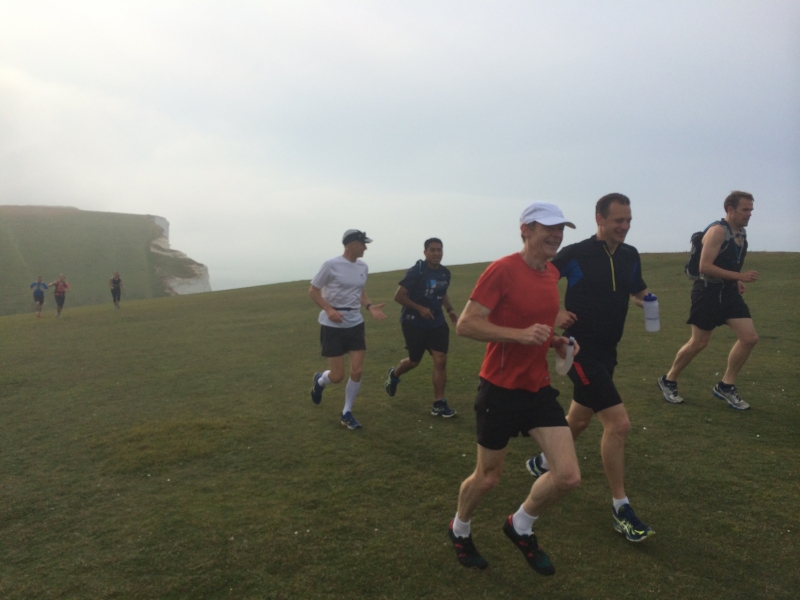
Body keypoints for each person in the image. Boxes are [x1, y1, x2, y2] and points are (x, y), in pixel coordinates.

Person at [448, 202, 580, 575]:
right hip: (500, 389)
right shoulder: (502, 270)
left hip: (537, 388)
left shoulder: (551, 273)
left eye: (561, 229)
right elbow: (466, 324)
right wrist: (519, 336)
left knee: (568, 476)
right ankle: (460, 529)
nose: (556, 235)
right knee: (488, 477)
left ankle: (520, 525)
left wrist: (554, 342)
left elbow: (538, 326)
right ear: (525, 230)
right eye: (548, 228)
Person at [524, 193, 655, 543]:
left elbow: (637, 289)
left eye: (628, 221)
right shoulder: (576, 253)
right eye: (618, 220)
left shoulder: (630, 255)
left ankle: (542, 461)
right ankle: (620, 508)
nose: (625, 227)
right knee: (618, 424)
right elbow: (540, 279)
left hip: (609, 351)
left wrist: (646, 300)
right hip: (579, 349)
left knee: (580, 418)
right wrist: (554, 313)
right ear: (600, 219)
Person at [658, 191, 758, 410]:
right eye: (745, 209)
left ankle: (726, 385)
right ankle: (669, 379)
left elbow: (728, 262)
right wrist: (740, 276)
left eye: (751, 209)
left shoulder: (740, 233)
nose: (749, 214)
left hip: (728, 292)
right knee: (699, 342)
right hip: (707, 292)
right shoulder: (717, 231)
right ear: (730, 209)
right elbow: (705, 267)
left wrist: (735, 280)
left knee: (749, 338)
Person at [309, 230, 387, 429]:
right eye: (363, 244)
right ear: (352, 244)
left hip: (355, 323)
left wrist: (369, 306)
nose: (366, 248)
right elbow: (313, 290)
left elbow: (359, 291)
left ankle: (347, 412)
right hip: (332, 326)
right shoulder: (331, 265)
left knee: (357, 370)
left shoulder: (363, 267)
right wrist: (329, 310)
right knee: (337, 376)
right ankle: (320, 381)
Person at [384, 238, 459, 417]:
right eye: (432, 250)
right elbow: (399, 296)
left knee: (440, 359)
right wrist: (420, 308)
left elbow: (442, 292)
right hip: (413, 323)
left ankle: (439, 403)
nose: (436, 253)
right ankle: (394, 375)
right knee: (414, 361)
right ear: (425, 252)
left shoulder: (445, 273)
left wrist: (450, 310)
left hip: (436, 322)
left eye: (439, 250)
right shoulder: (417, 271)